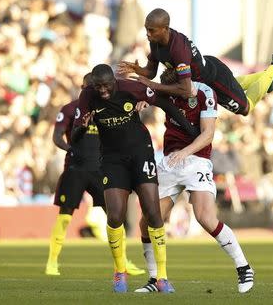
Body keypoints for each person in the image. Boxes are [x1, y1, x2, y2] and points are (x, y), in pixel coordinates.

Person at [72, 64, 198, 293]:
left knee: (152, 212)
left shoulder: (131, 87)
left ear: (114, 81)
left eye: (106, 86)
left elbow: (164, 102)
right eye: (98, 86)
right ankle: (120, 271)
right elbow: (74, 135)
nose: (103, 91)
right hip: (112, 159)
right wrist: (83, 126)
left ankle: (162, 277)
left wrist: (190, 130)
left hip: (141, 152)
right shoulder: (87, 95)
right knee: (115, 215)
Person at [134, 68, 254, 293]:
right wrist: (142, 99)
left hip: (196, 160)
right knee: (147, 222)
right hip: (170, 161)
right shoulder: (166, 93)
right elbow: (142, 91)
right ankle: (154, 279)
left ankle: (244, 267)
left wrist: (185, 152)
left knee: (205, 218)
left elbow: (208, 134)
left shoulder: (205, 93)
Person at [45, 73, 144, 276]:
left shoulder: (106, 109)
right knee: (65, 216)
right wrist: (70, 149)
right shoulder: (70, 109)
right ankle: (52, 261)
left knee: (115, 217)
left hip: (100, 169)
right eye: (87, 87)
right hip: (76, 169)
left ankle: (124, 263)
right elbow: (56, 136)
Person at [117, 8, 273, 116]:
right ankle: (266, 80)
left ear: (165, 28)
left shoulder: (177, 48)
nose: (147, 34)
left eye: (152, 30)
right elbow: (152, 71)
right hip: (207, 73)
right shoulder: (155, 42)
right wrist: (137, 69)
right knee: (237, 86)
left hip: (214, 78)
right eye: (147, 29)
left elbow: (186, 90)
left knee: (245, 108)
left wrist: (152, 85)